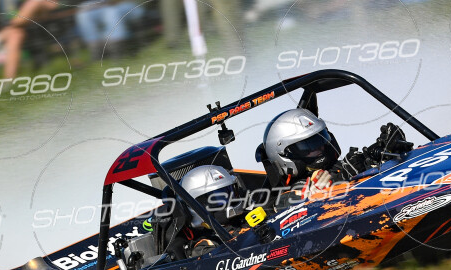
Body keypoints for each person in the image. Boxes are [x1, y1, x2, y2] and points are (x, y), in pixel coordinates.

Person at [258, 109, 413, 209]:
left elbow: (355, 168)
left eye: (321, 139)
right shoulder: (285, 199)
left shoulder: (342, 168)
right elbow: (284, 209)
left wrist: (387, 150)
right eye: (308, 146)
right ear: (285, 154)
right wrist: (312, 199)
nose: (319, 148)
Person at [158, 165, 250, 259]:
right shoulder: (204, 247)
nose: (228, 202)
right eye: (216, 199)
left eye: (230, 193)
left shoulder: (245, 220)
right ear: (194, 205)